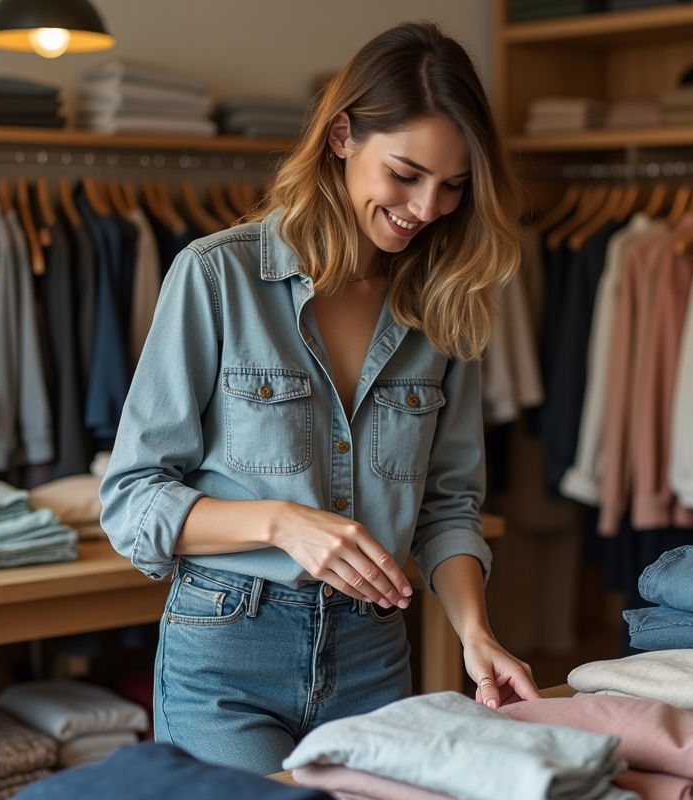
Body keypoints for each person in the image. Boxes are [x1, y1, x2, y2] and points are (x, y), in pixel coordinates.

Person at [100, 21, 540, 774]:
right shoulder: (216, 279)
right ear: (342, 136)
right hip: (226, 656)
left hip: (375, 656)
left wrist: (475, 632)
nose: (428, 207)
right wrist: (283, 523)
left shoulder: (447, 303)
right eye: (405, 174)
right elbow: (131, 500)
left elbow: (448, 504)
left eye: (454, 185)